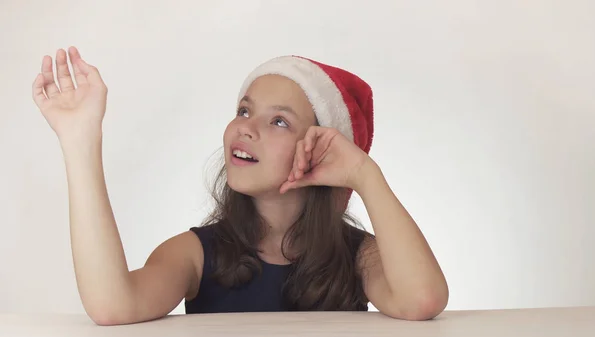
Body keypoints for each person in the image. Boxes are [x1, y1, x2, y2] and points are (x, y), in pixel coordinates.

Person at [31, 46, 449, 326]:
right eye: (244, 110)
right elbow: (112, 305)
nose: (245, 127)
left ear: (323, 147)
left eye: (279, 120)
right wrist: (80, 141)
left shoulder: (361, 256)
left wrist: (365, 174)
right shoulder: (194, 253)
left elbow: (422, 300)